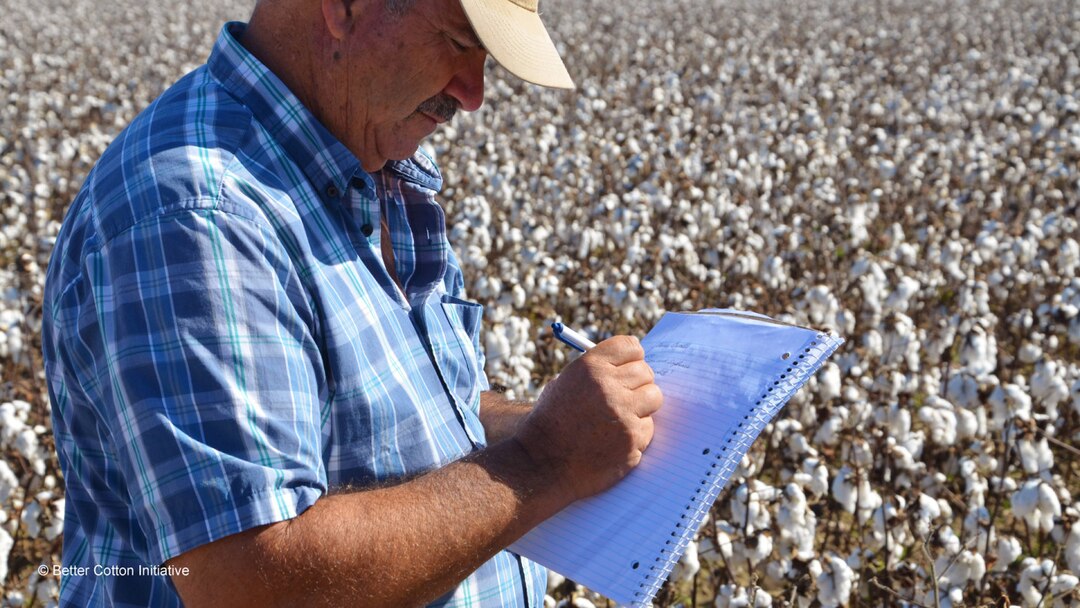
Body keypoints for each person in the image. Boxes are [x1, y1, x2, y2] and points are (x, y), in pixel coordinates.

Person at [41, 0, 663, 605]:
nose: (473, 92)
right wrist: (543, 461)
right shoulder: (199, 217)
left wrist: (548, 425)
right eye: (459, 41)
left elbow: (414, 411)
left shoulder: (371, 160)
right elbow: (252, 582)